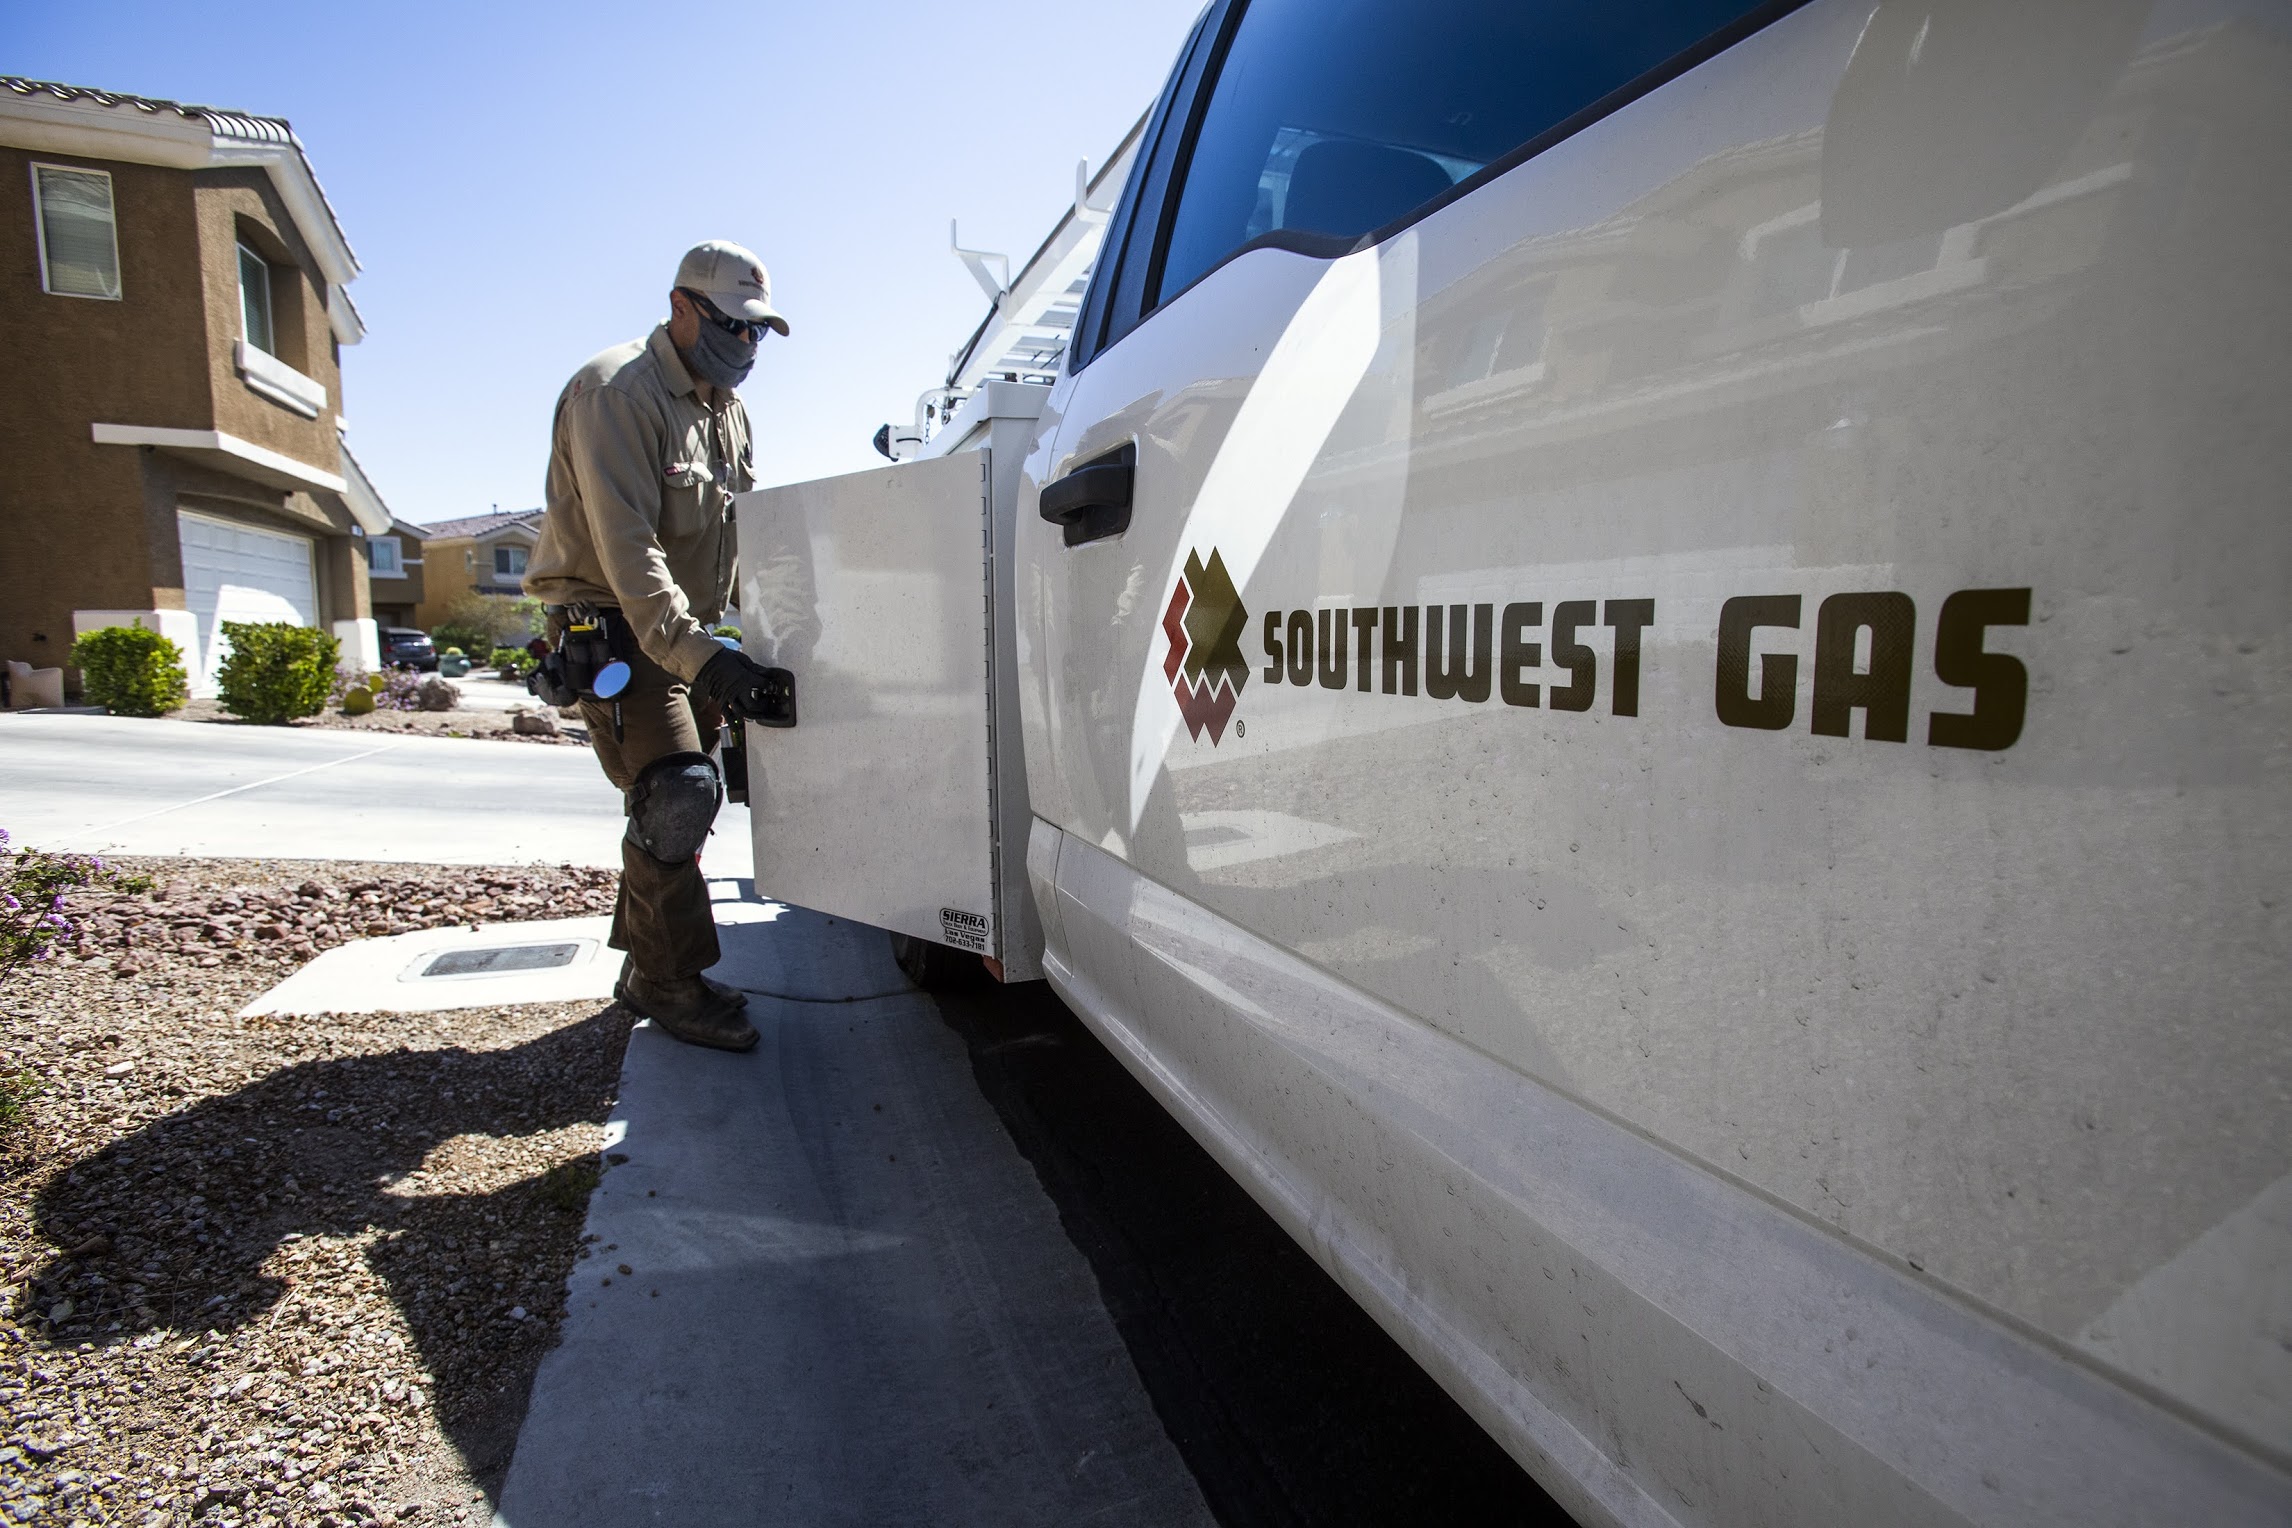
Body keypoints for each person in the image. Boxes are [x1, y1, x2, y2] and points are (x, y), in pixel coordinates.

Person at [525, 240, 795, 1053]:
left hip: (685, 629)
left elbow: (743, 537)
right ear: (682, 308)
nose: (746, 347)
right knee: (676, 792)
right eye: (733, 328)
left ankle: (648, 967)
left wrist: (788, 631)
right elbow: (628, 552)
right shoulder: (614, 394)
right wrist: (707, 659)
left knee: (676, 805)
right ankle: (671, 985)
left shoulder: (724, 406)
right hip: (614, 619)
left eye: (758, 334)